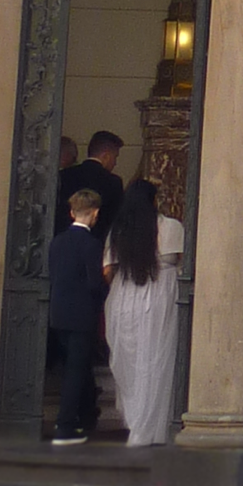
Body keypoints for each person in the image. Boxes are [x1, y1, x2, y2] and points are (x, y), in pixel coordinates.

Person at [101, 177, 183, 447]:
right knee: (158, 356)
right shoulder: (169, 226)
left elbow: (108, 270)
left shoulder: (119, 231)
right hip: (160, 295)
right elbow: (181, 262)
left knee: (131, 359)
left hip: (126, 295)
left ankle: (137, 421)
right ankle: (156, 422)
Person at [47, 190, 106, 445]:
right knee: (75, 369)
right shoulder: (92, 244)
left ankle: (83, 416)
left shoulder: (57, 241)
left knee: (75, 368)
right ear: (95, 214)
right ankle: (66, 425)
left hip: (59, 312)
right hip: (81, 314)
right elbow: (95, 283)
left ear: (72, 213)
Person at [56, 131, 126, 243]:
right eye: (115, 157)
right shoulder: (113, 182)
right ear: (106, 156)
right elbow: (115, 220)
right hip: (98, 244)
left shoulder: (64, 175)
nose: (115, 163)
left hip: (64, 241)